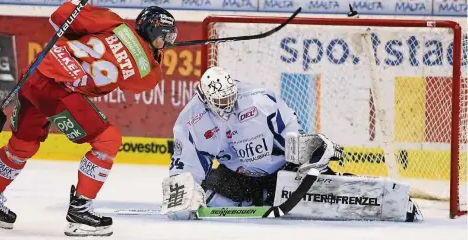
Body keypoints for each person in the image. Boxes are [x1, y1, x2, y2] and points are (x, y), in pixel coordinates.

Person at [0, 0, 177, 236]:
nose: (169, 43)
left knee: (23, 144)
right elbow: (143, 84)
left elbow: (60, 15)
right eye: (166, 37)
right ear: (154, 32)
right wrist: (154, 55)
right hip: (57, 90)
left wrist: (77, 9)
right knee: (108, 140)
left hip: (36, 73)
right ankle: (80, 211)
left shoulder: (114, 23)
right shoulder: (146, 67)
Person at [160, 67, 423, 222]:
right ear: (204, 98)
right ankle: (260, 197)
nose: (227, 105)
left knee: (331, 192)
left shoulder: (260, 102)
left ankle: (396, 202)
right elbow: (186, 168)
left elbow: (292, 136)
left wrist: (309, 151)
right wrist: (184, 192)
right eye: (219, 101)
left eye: (230, 97)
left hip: (282, 172)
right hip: (239, 177)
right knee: (208, 201)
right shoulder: (191, 121)